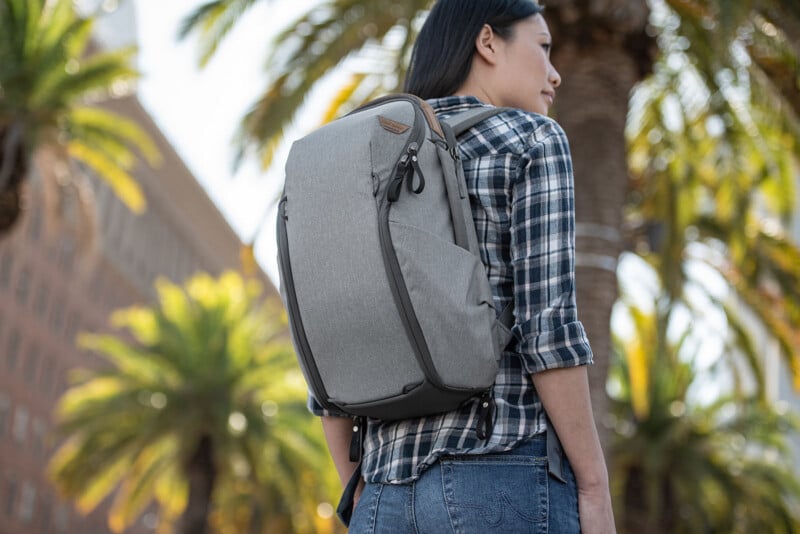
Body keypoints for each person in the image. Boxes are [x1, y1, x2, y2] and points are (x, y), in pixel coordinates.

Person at [309, 0, 616, 532]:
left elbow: (329, 348)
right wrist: (593, 485)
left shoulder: (357, 156)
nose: (555, 72)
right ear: (488, 41)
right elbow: (548, 332)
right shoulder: (531, 140)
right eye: (542, 47)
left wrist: (358, 489)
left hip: (382, 495)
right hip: (502, 476)